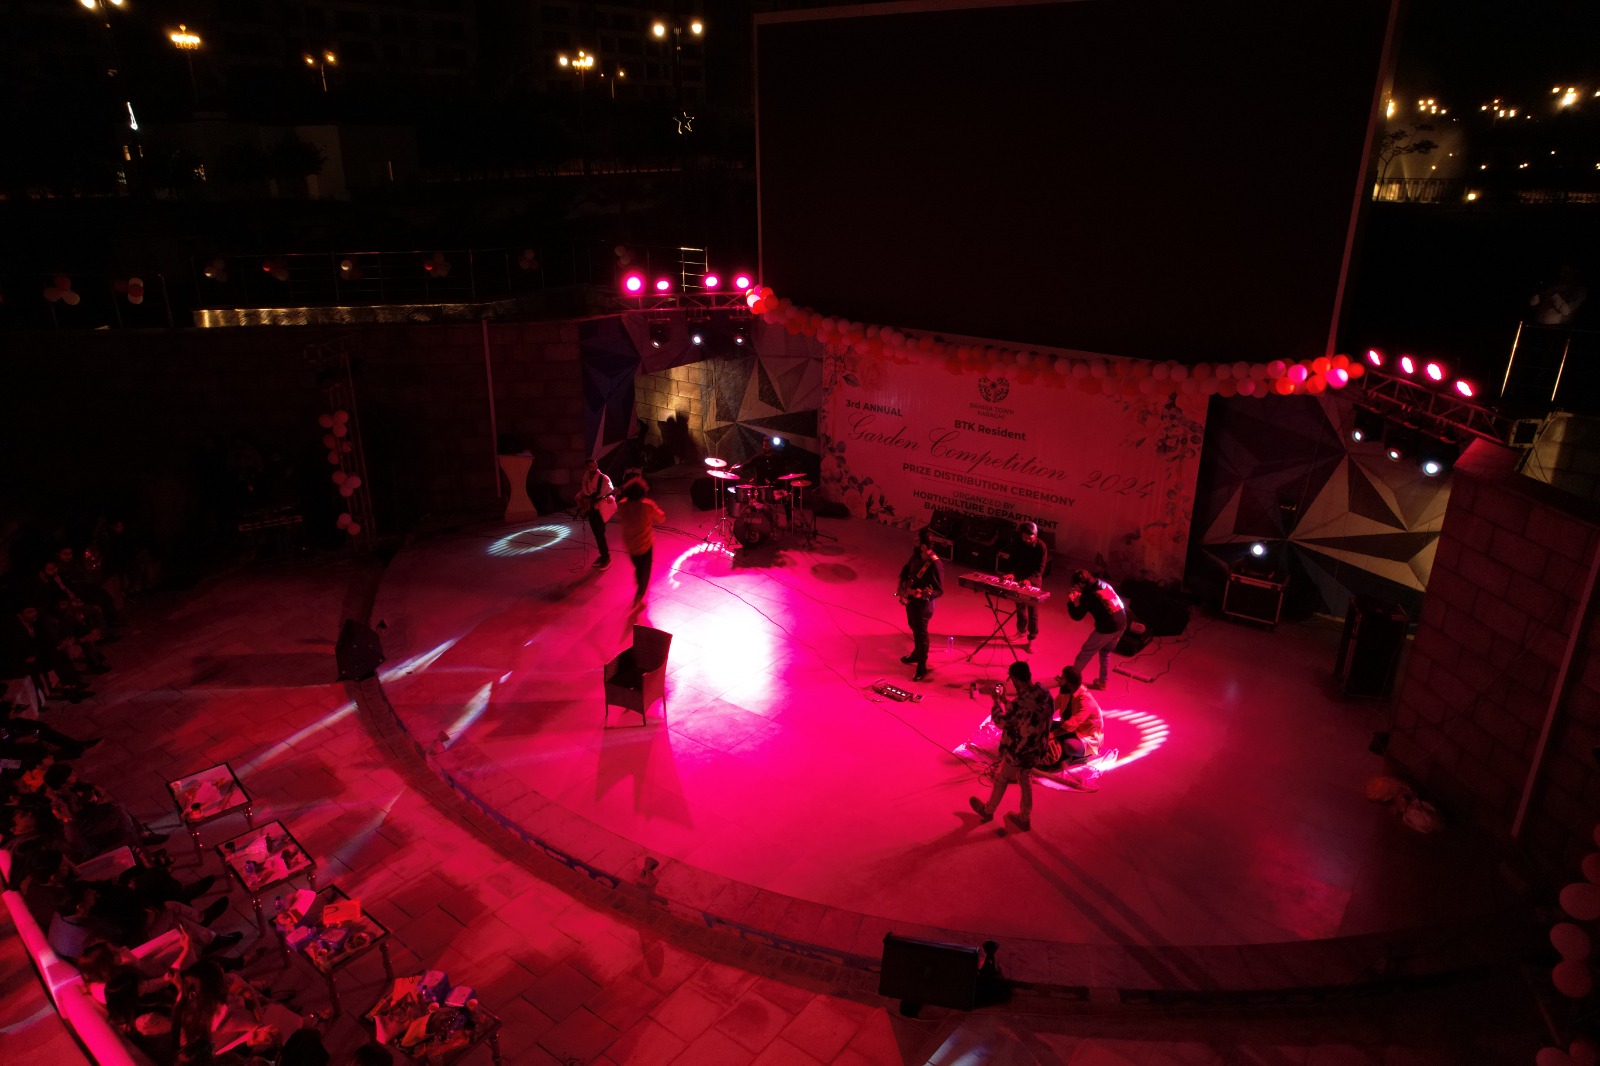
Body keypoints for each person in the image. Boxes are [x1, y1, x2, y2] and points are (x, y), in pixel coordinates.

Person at [968, 660, 1054, 832]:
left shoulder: (1020, 704)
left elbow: (1001, 721)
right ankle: (1024, 818)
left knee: (1001, 778)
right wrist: (1005, 700)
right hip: (1038, 748)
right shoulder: (1044, 692)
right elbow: (1023, 712)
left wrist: (996, 703)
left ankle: (988, 811)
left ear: (1015, 679)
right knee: (1025, 778)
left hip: (1020, 751)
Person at [1066, 569, 1127, 690]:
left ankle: (1070, 681)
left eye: (1076, 586)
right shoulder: (1101, 583)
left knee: (1086, 652)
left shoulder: (1088, 595)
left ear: (1082, 584)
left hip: (1107, 628)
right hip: (1122, 623)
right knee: (1105, 652)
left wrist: (1071, 601)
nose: (1075, 589)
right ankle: (1102, 682)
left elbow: (1077, 616)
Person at [897, 530, 944, 682]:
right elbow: (906, 570)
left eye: (917, 540)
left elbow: (939, 590)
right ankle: (917, 654)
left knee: (921, 633)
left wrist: (928, 594)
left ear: (924, 546)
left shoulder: (935, 564)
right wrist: (902, 584)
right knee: (913, 625)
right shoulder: (916, 556)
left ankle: (922, 667)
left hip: (924, 606)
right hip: (912, 600)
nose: (914, 541)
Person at [615, 479, 666, 609]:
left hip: (630, 545)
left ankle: (639, 588)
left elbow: (618, 510)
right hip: (645, 545)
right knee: (645, 571)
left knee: (639, 568)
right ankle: (639, 595)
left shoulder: (622, 505)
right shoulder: (647, 506)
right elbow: (661, 518)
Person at [1042, 666, 1104, 771]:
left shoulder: (1086, 701)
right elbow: (1052, 707)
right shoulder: (1066, 692)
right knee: (1044, 725)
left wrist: (1052, 735)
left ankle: (1068, 756)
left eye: (1062, 679)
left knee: (1069, 746)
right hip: (1069, 729)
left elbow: (1071, 724)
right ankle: (1060, 749)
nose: (1059, 681)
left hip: (1084, 736)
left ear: (1069, 684)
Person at [1000, 521, 1048, 651]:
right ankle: (1021, 631)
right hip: (1020, 577)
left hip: (1034, 580)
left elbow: (1040, 569)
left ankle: (1032, 638)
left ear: (1035, 535)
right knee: (1020, 607)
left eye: (1029, 537)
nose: (1026, 539)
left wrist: (1029, 580)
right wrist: (1011, 573)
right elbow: (1013, 561)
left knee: (1033, 610)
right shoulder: (1018, 542)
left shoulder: (1041, 547)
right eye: (1024, 536)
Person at [576, 459, 615, 570]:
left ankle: (606, 558)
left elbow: (606, 493)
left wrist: (591, 499)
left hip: (601, 510)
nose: (592, 468)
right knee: (597, 534)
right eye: (590, 466)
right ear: (587, 467)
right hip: (592, 509)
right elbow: (585, 490)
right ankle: (603, 556)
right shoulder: (586, 477)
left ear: (596, 465)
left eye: (594, 466)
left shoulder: (604, 478)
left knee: (600, 534)